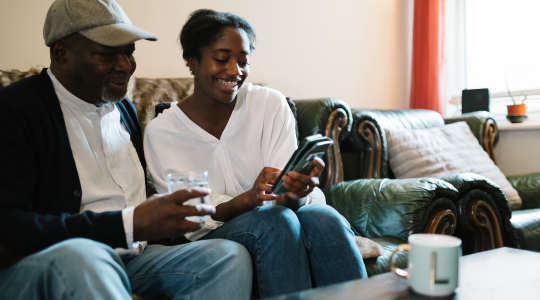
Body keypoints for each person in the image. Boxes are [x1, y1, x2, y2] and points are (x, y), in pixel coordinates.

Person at [0, 1, 253, 299]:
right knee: (84, 257)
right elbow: (8, 228)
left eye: (129, 52)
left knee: (227, 256)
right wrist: (130, 224)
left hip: (133, 258)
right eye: (107, 54)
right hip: (46, 262)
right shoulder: (15, 110)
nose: (125, 65)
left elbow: (132, 199)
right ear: (61, 53)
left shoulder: (123, 109)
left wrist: (169, 213)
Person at [144, 9, 368, 299]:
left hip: (281, 215)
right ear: (192, 61)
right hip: (214, 234)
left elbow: (288, 200)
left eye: (243, 60)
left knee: (324, 218)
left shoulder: (270, 104)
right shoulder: (163, 132)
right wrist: (248, 199)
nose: (235, 70)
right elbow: (191, 219)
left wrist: (297, 188)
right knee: (274, 221)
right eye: (222, 58)